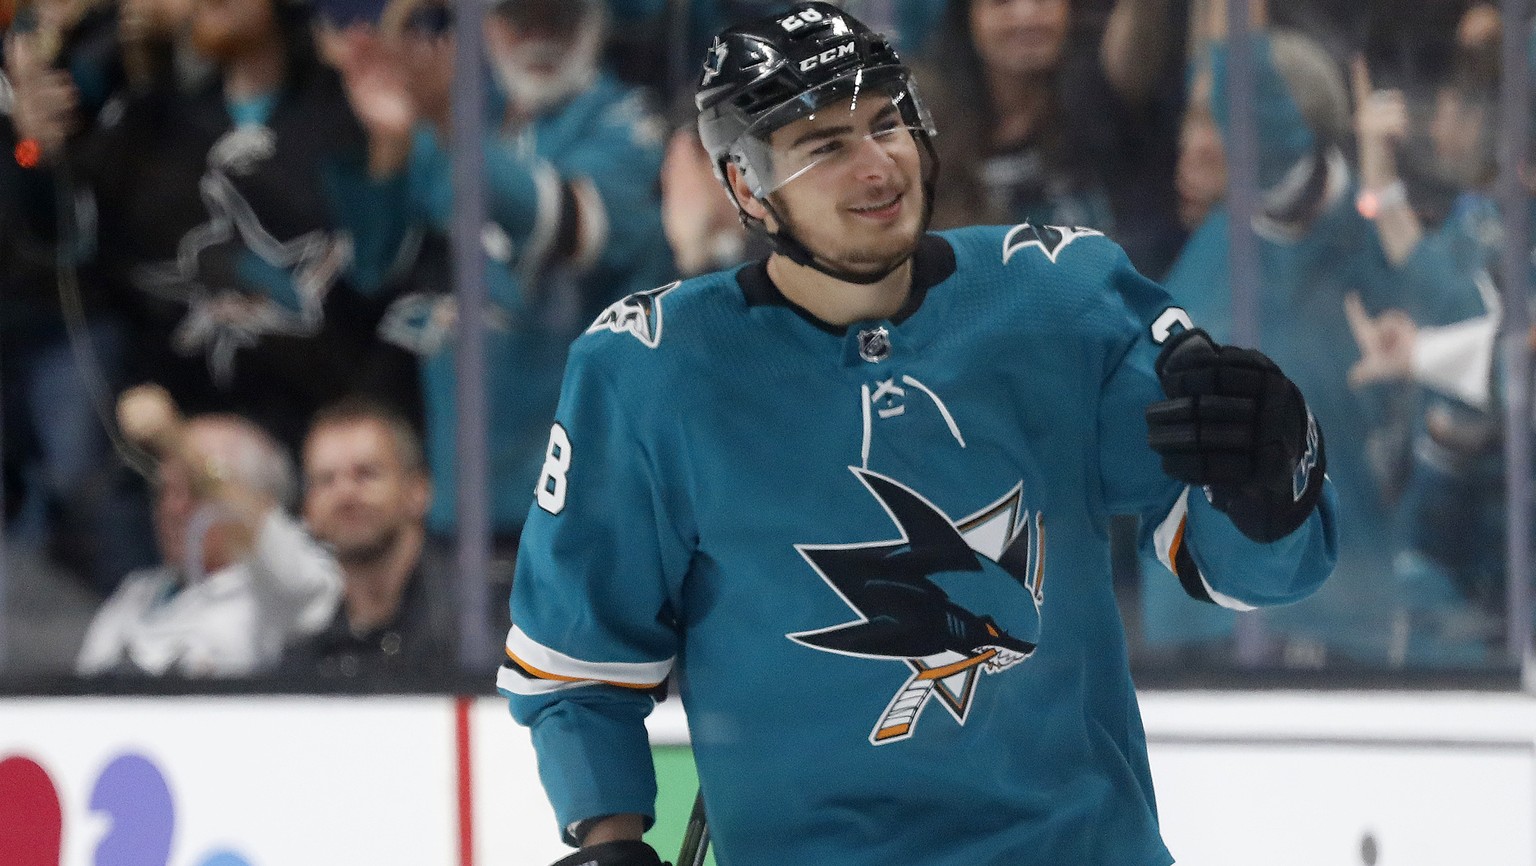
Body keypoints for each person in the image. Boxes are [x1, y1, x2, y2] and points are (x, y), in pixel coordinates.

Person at [499, 5, 1337, 865]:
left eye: (887, 122)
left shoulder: (1062, 299)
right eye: (824, 145)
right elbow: (576, 663)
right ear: (746, 188)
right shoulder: (650, 370)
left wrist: (1275, 484)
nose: (878, 166)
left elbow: (1250, 575)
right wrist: (605, 835)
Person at [326, 0, 673, 550]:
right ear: (486, 24)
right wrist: (391, 142)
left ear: (595, 20)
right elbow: (373, 266)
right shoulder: (461, 115)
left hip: (583, 501)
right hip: (459, 502)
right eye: (518, 17)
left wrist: (446, 127)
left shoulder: (627, 121)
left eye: (555, 18)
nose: (538, 37)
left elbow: (566, 222)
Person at [75, 386, 341, 677]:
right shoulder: (134, 595)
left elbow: (288, 563)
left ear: (258, 502)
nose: (173, 510)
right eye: (165, 491)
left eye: (195, 492)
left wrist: (176, 441)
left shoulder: (279, 592)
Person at [913, 0, 1189, 279]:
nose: (1026, 15)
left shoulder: (1108, 106)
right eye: (1002, 3)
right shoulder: (930, 131)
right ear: (967, 17)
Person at [279, 397, 457, 685]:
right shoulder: (304, 661)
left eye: (366, 474)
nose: (345, 494)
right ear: (307, 509)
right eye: (326, 480)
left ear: (418, 491)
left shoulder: (484, 625)